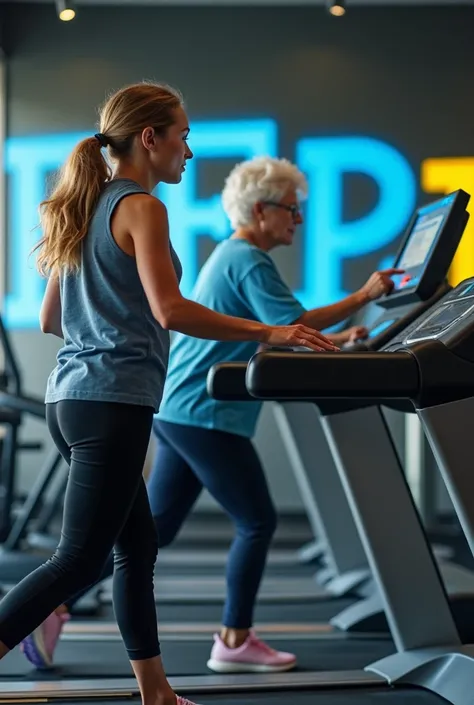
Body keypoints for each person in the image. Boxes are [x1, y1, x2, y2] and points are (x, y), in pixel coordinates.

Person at [1, 81, 336, 703]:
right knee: (79, 558)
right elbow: (170, 309)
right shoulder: (141, 207)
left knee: (137, 547)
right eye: (182, 135)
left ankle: (156, 692)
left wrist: (104, 318)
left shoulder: (85, 204)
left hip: (70, 399)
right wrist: (270, 329)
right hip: (111, 401)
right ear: (149, 138)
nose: (189, 149)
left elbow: (53, 318)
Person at [22, 153, 402, 675]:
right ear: (262, 210)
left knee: (150, 533)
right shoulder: (230, 250)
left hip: (158, 402)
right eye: (293, 210)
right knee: (255, 520)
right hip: (191, 406)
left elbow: (53, 319)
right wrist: (363, 295)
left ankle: (72, 621)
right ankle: (234, 637)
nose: (298, 219)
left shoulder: (119, 217)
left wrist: (334, 338)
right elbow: (282, 324)